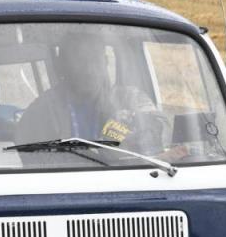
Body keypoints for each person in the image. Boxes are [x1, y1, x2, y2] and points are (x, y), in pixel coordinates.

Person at [16, 36, 186, 161]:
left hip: (126, 182)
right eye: (80, 61)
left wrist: (132, 127)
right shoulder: (42, 110)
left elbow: (159, 126)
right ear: (63, 66)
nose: (88, 69)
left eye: (94, 60)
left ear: (105, 63)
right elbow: (33, 164)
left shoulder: (129, 98)